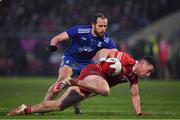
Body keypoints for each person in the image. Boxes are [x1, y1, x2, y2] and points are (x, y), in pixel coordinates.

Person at [7, 49, 156, 116]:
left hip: (90, 86)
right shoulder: (126, 59)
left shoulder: (134, 77)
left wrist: (139, 114)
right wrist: (104, 60)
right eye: (148, 71)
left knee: (59, 106)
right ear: (142, 63)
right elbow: (106, 50)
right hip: (92, 72)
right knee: (105, 90)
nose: (148, 75)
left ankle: (24, 110)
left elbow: (135, 95)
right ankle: (73, 81)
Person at [44, 12, 117, 114]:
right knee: (62, 80)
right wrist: (53, 45)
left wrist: (115, 61)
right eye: (100, 26)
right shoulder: (80, 30)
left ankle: (77, 110)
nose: (103, 29)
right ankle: (44, 106)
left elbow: (115, 52)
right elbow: (57, 38)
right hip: (71, 59)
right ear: (93, 24)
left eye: (105, 26)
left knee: (86, 87)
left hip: (87, 63)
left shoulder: (106, 39)